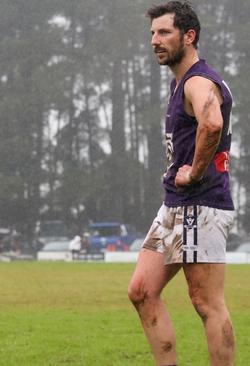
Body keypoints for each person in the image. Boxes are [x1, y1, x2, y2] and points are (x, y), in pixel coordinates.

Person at [127, 2, 235, 365]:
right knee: (142, 291)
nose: (155, 41)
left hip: (200, 205)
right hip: (174, 205)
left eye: (164, 33)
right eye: (152, 34)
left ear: (189, 36)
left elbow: (213, 122)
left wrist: (194, 170)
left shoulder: (198, 80)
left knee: (206, 303)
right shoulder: (180, 83)